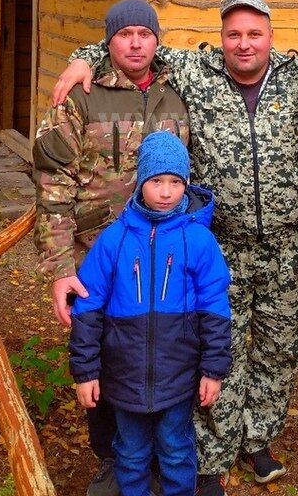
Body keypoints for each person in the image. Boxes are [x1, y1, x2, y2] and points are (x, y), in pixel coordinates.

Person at [54, 0, 298, 496]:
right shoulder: (196, 71)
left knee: (270, 349)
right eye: (233, 33)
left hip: (254, 245)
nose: (244, 43)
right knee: (188, 343)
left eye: (254, 33)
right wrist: (80, 58)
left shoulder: (293, 74)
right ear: (220, 37)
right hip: (173, 242)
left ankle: (254, 438)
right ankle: (185, 458)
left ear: (270, 37)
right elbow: (130, 44)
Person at [33, 0, 189, 496]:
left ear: (157, 39)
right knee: (99, 351)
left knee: (162, 345)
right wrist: (59, 268)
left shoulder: (177, 89)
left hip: (163, 252)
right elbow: (52, 186)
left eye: (146, 33)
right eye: (126, 35)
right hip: (94, 252)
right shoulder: (80, 95)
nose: (137, 43)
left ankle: (167, 451)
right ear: (110, 41)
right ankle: (111, 456)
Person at [70, 130, 232, 496]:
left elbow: (216, 309)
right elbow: (88, 308)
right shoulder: (115, 239)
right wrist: (85, 372)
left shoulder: (198, 240)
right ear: (140, 182)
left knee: (176, 450)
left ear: (186, 184)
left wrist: (214, 370)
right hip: (123, 376)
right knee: (130, 452)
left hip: (178, 376)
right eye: (156, 181)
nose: (165, 192)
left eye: (175, 182)